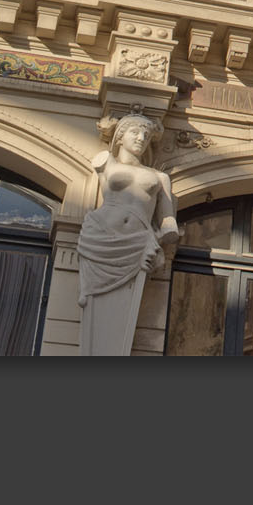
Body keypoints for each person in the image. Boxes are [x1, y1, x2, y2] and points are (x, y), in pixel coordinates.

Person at [77, 110, 179, 356]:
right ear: (120, 137)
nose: (141, 137)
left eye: (146, 133)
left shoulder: (160, 177)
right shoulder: (105, 161)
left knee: (120, 320)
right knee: (95, 312)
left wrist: (154, 241)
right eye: (135, 132)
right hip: (100, 239)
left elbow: (168, 223)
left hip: (136, 246)